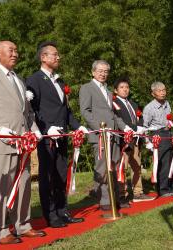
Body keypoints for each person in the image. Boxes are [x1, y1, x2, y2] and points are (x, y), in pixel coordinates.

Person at [0, 40, 46, 244]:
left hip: (23, 142)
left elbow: (27, 113)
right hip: (2, 142)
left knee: (23, 185)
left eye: (16, 50)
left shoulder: (19, 79)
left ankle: (23, 225)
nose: (15, 53)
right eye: (10, 50)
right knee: (0, 186)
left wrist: (34, 130)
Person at [26, 41, 86, 228]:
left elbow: (65, 110)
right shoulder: (34, 80)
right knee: (47, 177)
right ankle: (50, 215)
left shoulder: (60, 81)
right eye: (54, 54)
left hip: (63, 135)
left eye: (58, 54)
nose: (58, 57)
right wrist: (46, 129)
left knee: (61, 175)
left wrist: (77, 126)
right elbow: (32, 109)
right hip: (46, 137)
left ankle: (63, 211)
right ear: (43, 57)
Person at [79, 60, 131, 211]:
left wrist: (126, 128)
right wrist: (100, 128)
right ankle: (104, 200)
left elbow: (113, 115)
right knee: (102, 168)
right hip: (100, 135)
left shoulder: (109, 92)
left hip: (114, 135)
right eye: (100, 71)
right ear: (93, 72)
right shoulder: (87, 88)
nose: (103, 74)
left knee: (113, 167)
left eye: (106, 71)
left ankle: (115, 199)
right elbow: (85, 111)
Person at [113, 77, 155, 202]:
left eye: (127, 87)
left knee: (136, 166)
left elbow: (140, 117)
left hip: (136, 139)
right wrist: (135, 128)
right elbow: (120, 121)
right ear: (115, 90)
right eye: (122, 87)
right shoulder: (114, 103)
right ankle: (122, 194)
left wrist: (141, 127)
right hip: (123, 140)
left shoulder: (133, 103)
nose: (125, 90)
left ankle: (138, 193)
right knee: (123, 167)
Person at [143, 81, 173, 197]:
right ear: (153, 93)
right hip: (158, 135)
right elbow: (144, 126)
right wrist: (147, 142)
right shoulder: (149, 108)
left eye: (164, 90)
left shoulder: (167, 103)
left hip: (169, 133)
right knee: (163, 163)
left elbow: (169, 120)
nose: (163, 93)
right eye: (159, 91)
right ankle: (163, 189)